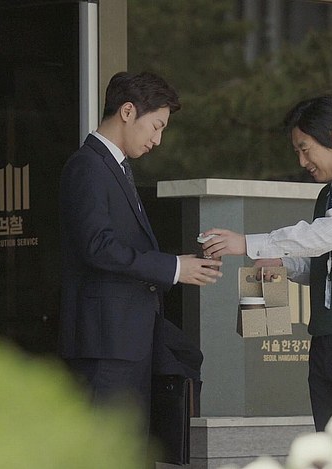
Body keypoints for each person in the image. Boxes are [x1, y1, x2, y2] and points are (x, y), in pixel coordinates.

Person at [200, 95, 332, 432]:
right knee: (328, 445)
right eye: (297, 150)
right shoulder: (328, 194)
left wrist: (246, 243)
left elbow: (324, 236)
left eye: (305, 149)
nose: (301, 161)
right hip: (325, 341)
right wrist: (281, 264)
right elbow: (324, 264)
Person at [58, 71, 222, 425]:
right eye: (156, 126)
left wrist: (180, 264)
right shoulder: (88, 166)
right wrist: (173, 268)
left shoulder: (114, 167)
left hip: (124, 342)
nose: (157, 140)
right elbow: (98, 246)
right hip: (105, 345)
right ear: (128, 111)